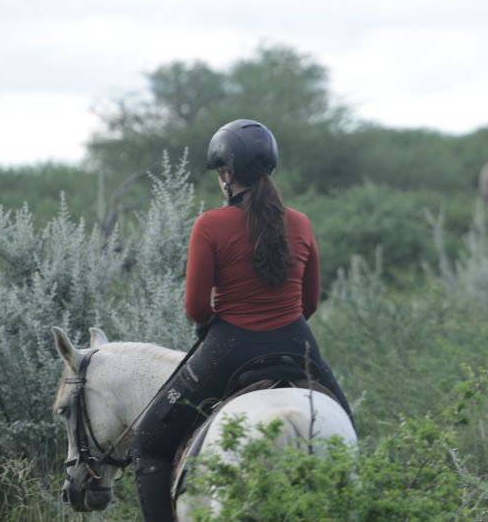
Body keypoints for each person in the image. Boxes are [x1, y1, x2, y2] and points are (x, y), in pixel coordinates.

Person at [131, 119, 353, 521]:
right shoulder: (300, 223)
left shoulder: (210, 225)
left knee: (149, 443)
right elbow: (310, 302)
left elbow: (196, 308)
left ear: (227, 173)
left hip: (230, 347)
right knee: (348, 430)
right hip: (297, 342)